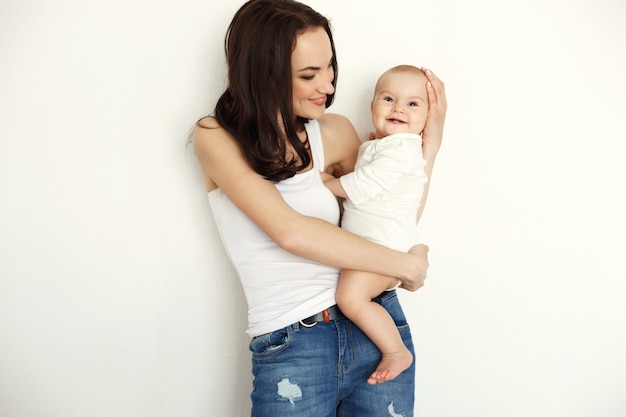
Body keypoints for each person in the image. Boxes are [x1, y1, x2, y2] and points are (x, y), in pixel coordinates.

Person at [191, 0, 446, 415]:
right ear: (262, 74)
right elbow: (292, 232)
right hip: (296, 344)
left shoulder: (335, 130)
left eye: (329, 68)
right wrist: (405, 266)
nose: (327, 85)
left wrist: (429, 147)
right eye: (309, 75)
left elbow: (389, 215)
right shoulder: (216, 136)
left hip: (376, 325)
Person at [321, 65, 434, 385]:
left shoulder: (401, 150)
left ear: (427, 119)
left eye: (413, 104)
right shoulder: (387, 145)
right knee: (353, 296)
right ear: (372, 108)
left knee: (350, 299)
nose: (399, 108)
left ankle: (396, 350)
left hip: (382, 246)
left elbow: (362, 186)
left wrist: (328, 183)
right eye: (388, 99)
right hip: (376, 243)